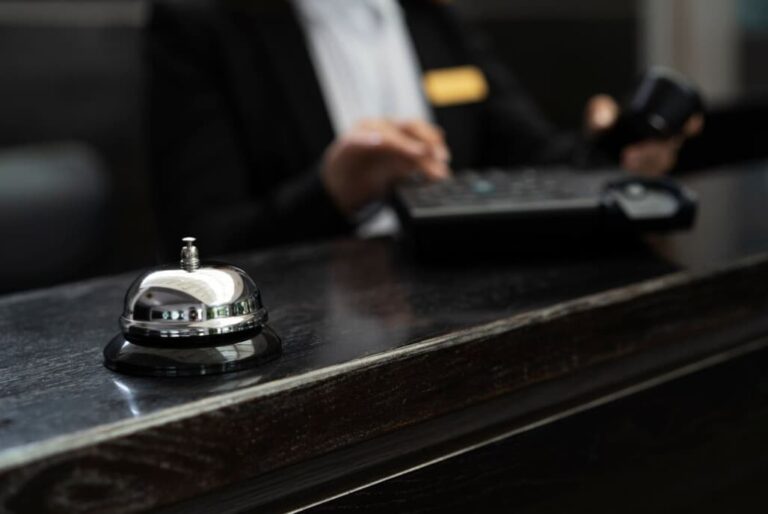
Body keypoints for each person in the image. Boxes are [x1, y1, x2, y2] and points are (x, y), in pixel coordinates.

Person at [147, 0, 702, 256]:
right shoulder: (201, 23)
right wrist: (333, 194)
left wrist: (613, 150)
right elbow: (201, 242)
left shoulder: (433, 17)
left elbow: (538, 160)